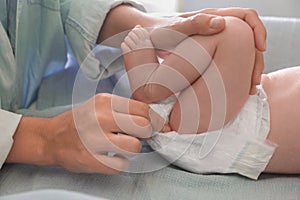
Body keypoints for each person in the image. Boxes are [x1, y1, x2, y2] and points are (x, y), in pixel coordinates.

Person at [0, 1, 266, 175]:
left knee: (233, 33)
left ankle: (154, 85)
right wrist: (42, 139)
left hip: (232, 127)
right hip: (232, 120)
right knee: (234, 31)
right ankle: (152, 86)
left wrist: (148, 24)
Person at [121, 17, 300, 178]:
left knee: (234, 32)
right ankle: (174, 71)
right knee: (230, 35)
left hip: (230, 128)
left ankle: (151, 87)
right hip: (232, 129)